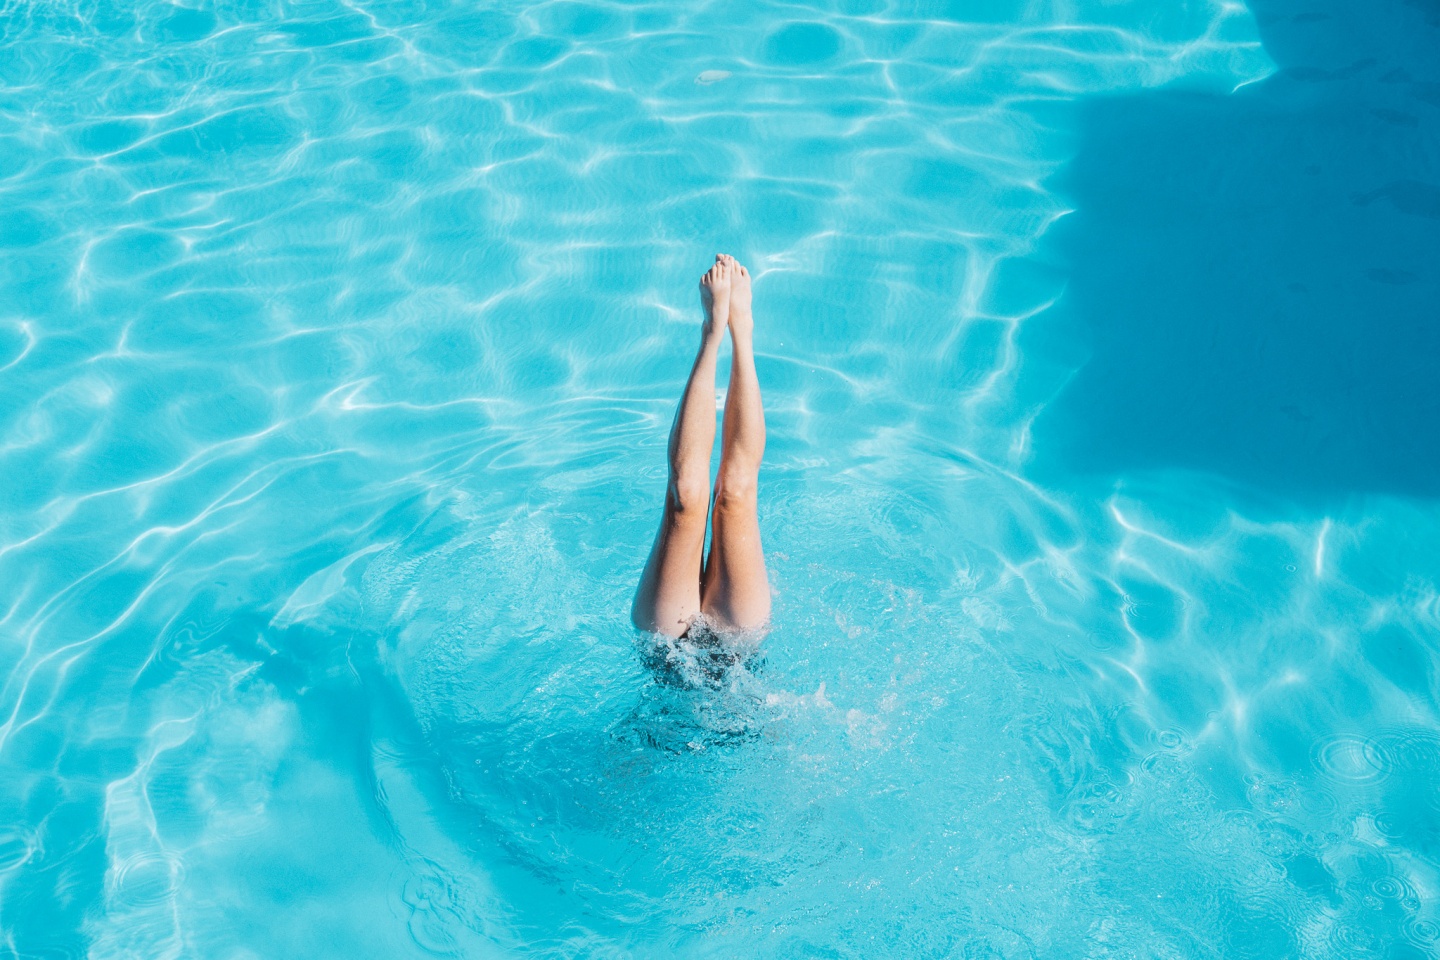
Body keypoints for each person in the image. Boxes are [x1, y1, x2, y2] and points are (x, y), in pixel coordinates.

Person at [632, 254, 770, 642]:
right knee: (718, 493)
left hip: (667, 650)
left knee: (697, 496)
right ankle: (729, 330)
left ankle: (725, 329)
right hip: (736, 649)